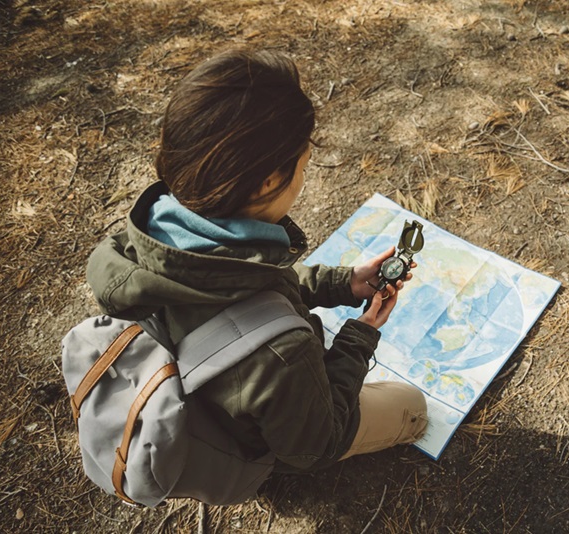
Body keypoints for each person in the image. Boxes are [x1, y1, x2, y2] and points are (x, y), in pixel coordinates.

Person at [85, 48, 428, 482]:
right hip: (255, 437)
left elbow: (246, 289)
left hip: (201, 391)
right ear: (269, 181)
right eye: (303, 165)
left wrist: (342, 283)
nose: (303, 177)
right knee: (412, 404)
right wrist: (359, 338)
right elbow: (315, 446)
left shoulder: (157, 238)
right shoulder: (283, 355)